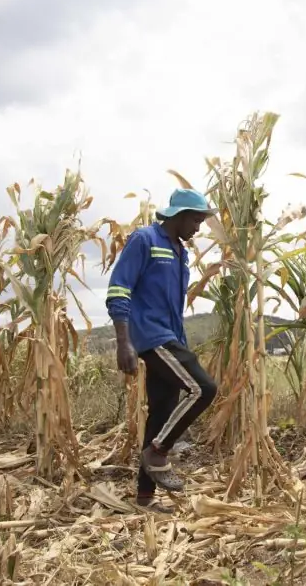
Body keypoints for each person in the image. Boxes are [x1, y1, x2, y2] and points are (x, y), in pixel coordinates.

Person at [105, 187, 219, 512]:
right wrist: (123, 340)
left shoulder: (179, 252)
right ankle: (158, 451)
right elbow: (119, 287)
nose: (198, 227)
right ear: (179, 215)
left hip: (171, 336)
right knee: (204, 388)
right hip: (151, 336)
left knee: (162, 412)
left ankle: (144, 499)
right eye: (195, 220)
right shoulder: (145, 240)